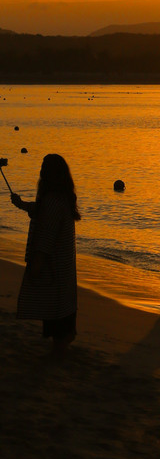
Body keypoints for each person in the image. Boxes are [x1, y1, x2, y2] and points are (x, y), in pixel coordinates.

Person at [12, 153, 81, 356]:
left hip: (55, 268)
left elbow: (46, 236)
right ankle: (59, 351)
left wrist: (37, 263)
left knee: (57, 317)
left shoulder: (52, 200)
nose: (40, 170)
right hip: (64, 268)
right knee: (63, 315)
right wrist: (22, 204)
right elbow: (41, 211)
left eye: (43, 167)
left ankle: (57, 353)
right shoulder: (62, 198)